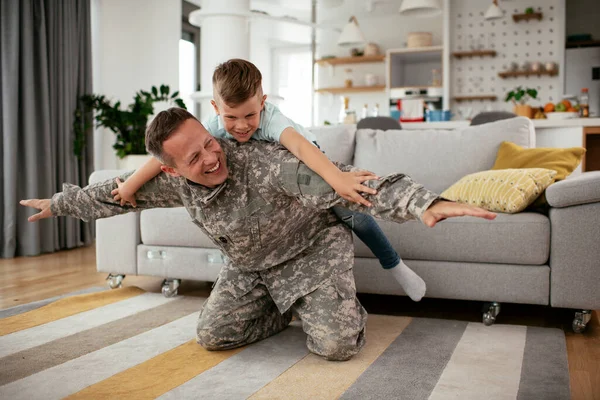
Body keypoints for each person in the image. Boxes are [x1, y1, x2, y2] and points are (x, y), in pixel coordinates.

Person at [21, 108, 496, 361]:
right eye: (194, 158)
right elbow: (113, 193)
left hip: (311, 253)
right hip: (250, 270)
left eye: (210, 142)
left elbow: (352, 183)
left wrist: (426, 203)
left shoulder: (268, 164)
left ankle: (335, 308)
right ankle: (285, 308)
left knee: (335, 349)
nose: (211, 157)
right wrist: (60, 203)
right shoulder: (168, 181)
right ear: (169, 169)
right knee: (212, 336)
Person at [111, 59, 428, 302]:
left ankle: (394, 265)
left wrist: (339, 180)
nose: (241, 126)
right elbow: (163, 157)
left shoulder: (274, 120)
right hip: (274, 185)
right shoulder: (214, 125)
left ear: (262, 102)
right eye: (231, 117)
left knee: (352, 213)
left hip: (309, 165)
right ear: (215, 108)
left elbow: (302, 147)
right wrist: (129, 186)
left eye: (250, 115)